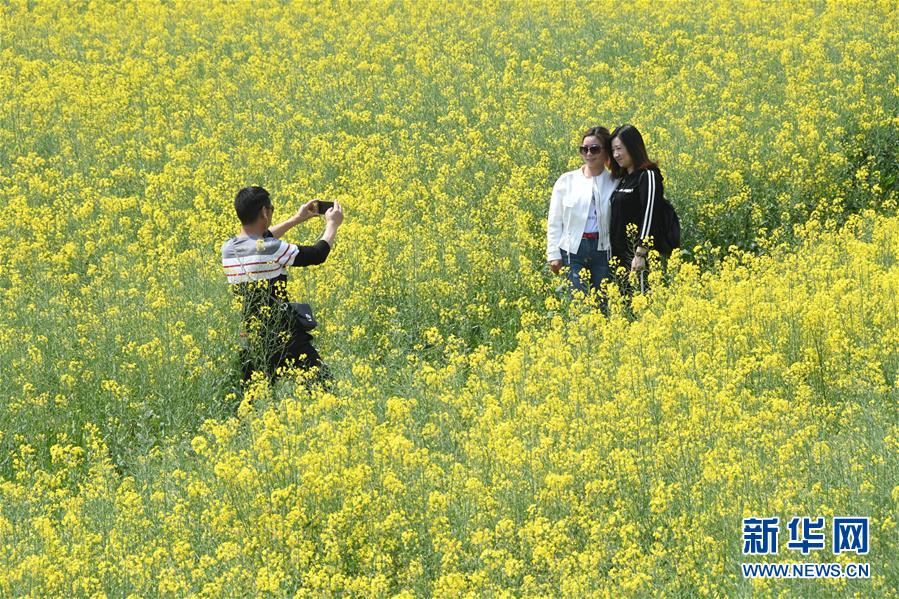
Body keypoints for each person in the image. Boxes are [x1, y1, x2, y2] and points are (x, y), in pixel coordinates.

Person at [220, 186, 343, 384]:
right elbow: (317, 254)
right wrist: (332, 225)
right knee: (324, 385)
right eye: (271, 209)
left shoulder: (228, 248)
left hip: (252, 337)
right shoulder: (271, 248)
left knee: (256, 400)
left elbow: (260, 240)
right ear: (263, 212)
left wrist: (297, 218)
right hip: (284, 334)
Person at [546, 126, 617, 310]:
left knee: (602, 306)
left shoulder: (615, 182)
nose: (588, 153)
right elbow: (555, 220)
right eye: (584, 149)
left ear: (605, 152)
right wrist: (553, 254)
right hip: (573, 250)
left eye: (594, 149)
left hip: (603, 250)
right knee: (580, 306)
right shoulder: (566, 181)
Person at [608, 124, 664, 295]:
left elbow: (651, 213)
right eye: (613, 150)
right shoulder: (623, 179)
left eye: (619, 149)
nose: (615, 154)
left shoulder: (648, 175)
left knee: (641, 306)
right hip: (619, 257)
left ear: (633, 147)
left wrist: (640, 253)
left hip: (638, 258)